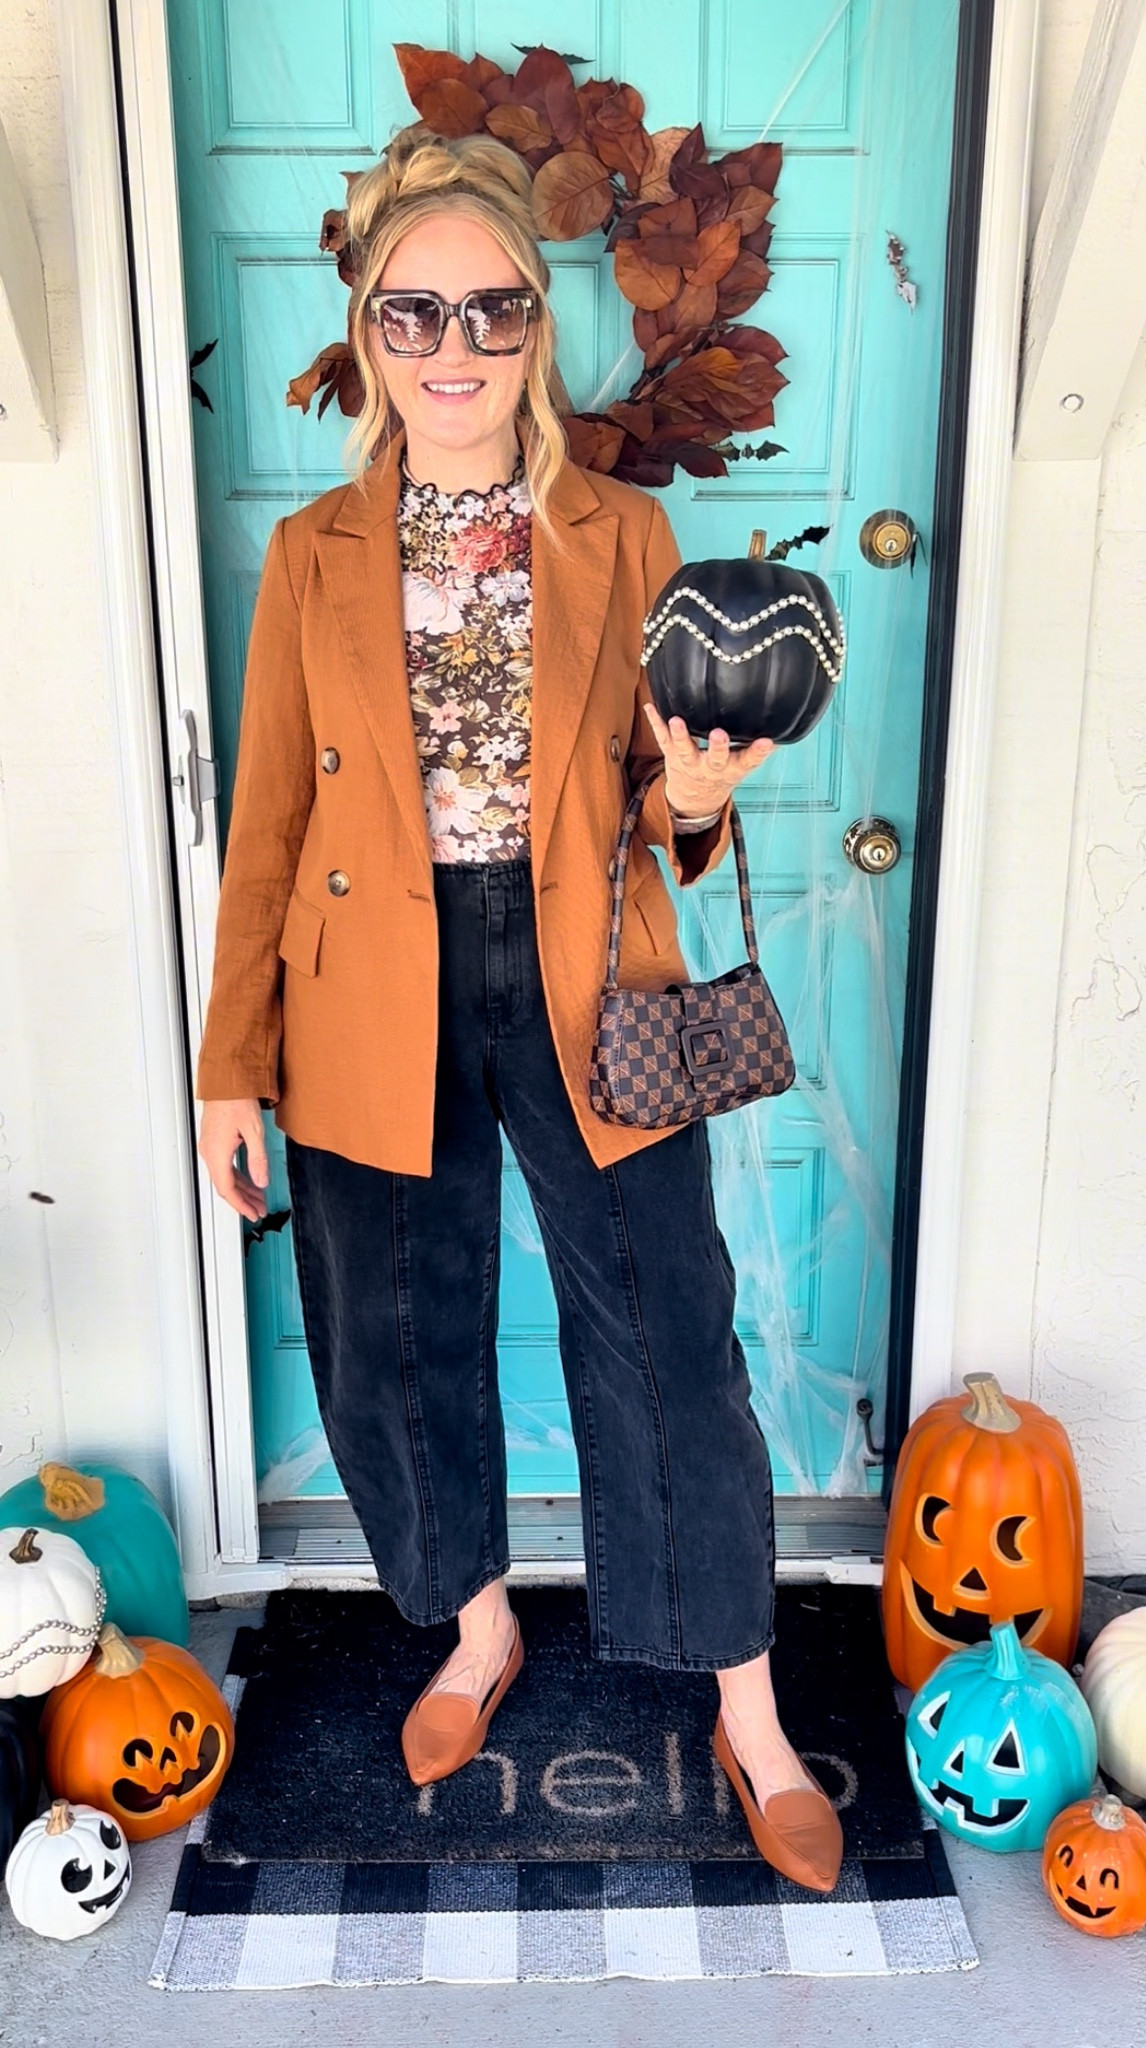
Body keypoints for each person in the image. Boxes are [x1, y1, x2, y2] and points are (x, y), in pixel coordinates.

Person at [196, 122, 841, 1893]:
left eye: (492, 312)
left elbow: (665, 803)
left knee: (667, 1334)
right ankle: (475, 1631)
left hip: (586, 978)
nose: (456, 351)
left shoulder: (623, 533)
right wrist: (225, 1068)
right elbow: (269, 826)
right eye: (416, 315)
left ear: (535, 330)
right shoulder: (313, 553)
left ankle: (750, 1701)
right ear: (370, 324)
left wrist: (702, 805)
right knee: (395, 1338)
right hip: (364, 989)